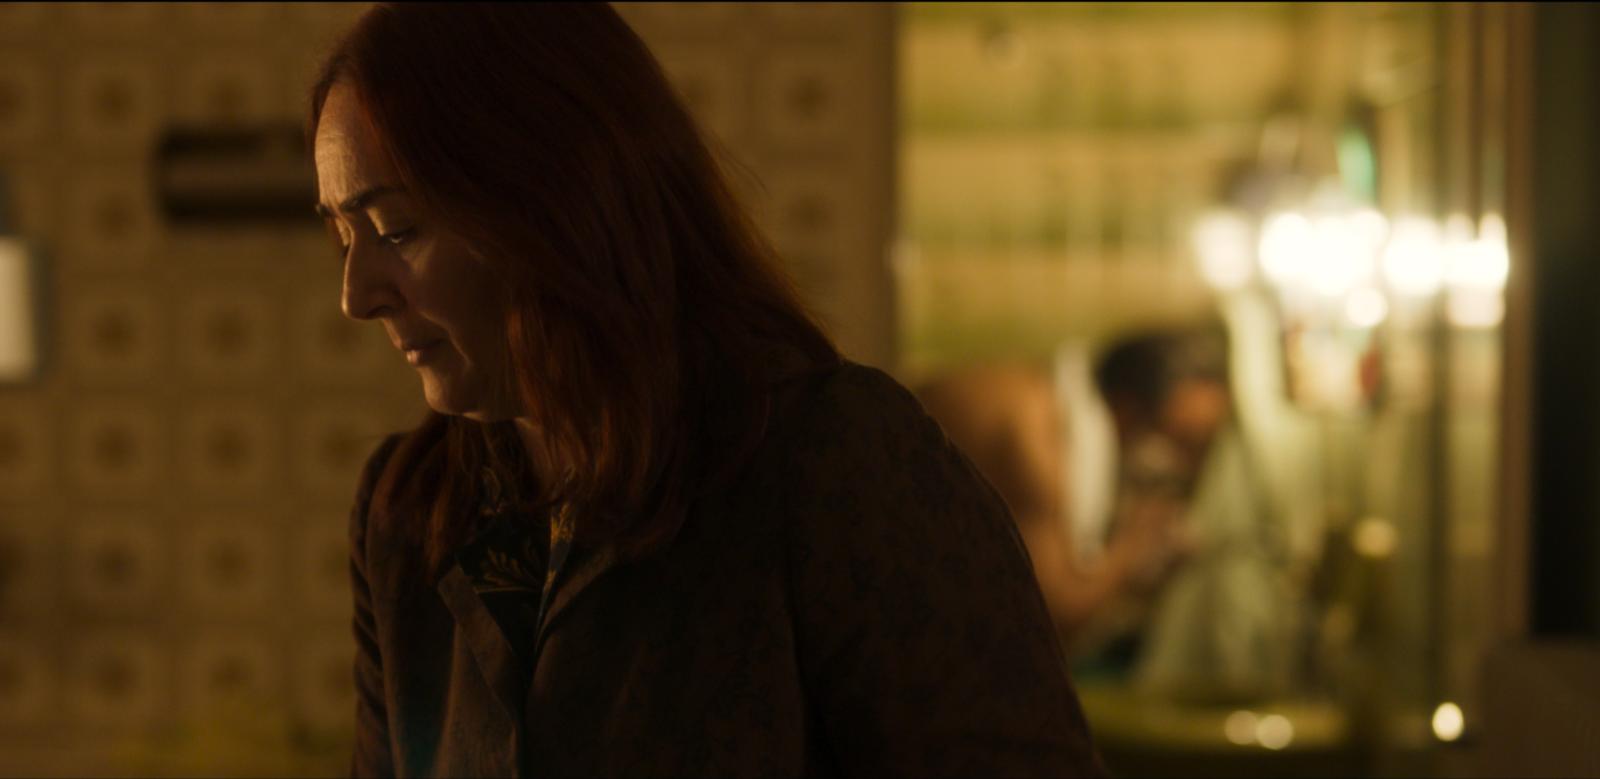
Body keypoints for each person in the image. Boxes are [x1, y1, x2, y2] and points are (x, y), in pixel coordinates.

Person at [310, 4, 1104, 776]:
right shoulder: (412, 510)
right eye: (342, 236)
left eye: (396, 229)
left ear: (554, 200)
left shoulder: (831, 464)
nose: (357, 296)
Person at [914, 362, 1192, 656]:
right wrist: (1135, 543)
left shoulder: (1026, 394)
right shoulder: (1035, 430)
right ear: (1129, 413)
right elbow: (1052, 614)